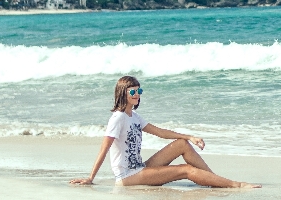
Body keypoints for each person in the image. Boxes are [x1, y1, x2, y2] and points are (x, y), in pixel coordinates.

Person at [69, 75, 259, 188]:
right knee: (185, 170)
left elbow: (161, 132)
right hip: (127, 176)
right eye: (132, 92)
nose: (137, 95)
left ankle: (214, 180)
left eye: (139, 91)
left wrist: (189, 137)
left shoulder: (134, 117)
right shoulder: (118, 118)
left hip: (140, 168)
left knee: (181, 145)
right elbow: (104, 148)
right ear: (123, 94)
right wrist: (90, 178)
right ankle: (236, 184)